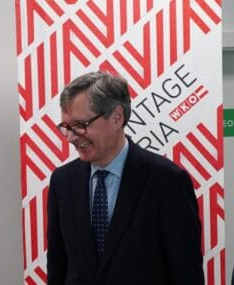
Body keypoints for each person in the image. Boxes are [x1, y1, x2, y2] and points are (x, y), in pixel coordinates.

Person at [46, 71, 203, 284]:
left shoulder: (168, 181)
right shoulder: (62, 181)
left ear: (116, 117)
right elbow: (58, 266)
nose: (71, 137)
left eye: (81, 125)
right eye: (66, 127)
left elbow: (186, 273)